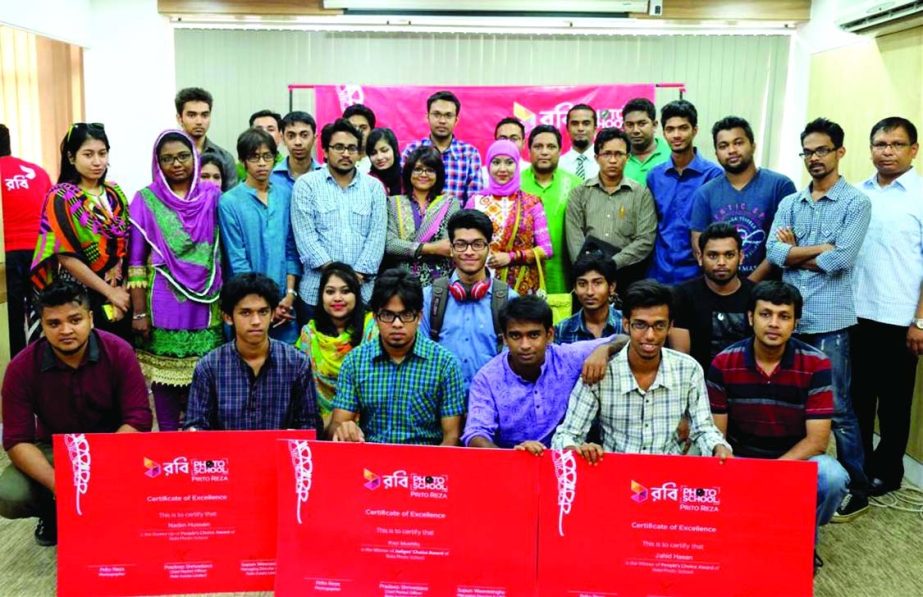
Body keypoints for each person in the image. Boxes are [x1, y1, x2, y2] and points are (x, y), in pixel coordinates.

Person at [766, 117, 872, 518]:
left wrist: (798, 252)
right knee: (787, 401)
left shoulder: (855, 202)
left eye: (822, 150)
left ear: (840, 152)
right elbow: (774, 255)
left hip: (830, 321)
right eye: (808, 151)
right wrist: (819, 250)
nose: (814, 158)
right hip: (788, 318)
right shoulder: (790, 202)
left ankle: (856, 486)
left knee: (840, 407)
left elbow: (842, 260)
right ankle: (793, 472)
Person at [707, 281, 848, 572]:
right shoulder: (724, 362)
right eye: (765, 314)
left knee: (833, 476)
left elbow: (817, 441)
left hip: (792, 459)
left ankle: (801, 540)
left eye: (784, 316)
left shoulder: (816, 364)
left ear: (795, 323)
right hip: (740, 457)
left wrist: (773, 472)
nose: (774, 323)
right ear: (750, 318)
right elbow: (717, 434)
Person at [0, 280, 152, 546]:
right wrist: (58, 483)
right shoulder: (21, 368)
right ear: (44, 326)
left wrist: (101, 467)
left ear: (91, 319)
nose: (66, 330)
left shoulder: (119, 352)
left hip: (114, 446)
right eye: (54, 324)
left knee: (161, 478)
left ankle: (116, 512)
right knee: (9, 494)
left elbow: (138, 419)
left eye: (75, 319)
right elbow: (16, 440)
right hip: (56, 451)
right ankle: (53, 512)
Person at [551, 280, 732, 462]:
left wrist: (719, 447)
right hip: (616, 476)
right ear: (626, 324)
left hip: (668, 482)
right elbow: (567, 434)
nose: (650, 335)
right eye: (640, 325)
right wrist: (577, 449)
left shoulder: (689, 370)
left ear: (670, 327)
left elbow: (704, 429)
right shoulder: (601, 371)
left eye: (659, 325)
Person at [128, 130, 224, 431]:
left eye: (183, 156)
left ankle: (204, 446)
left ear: (194, 157)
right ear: (157, 163)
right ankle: (170, 445)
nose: (176, 164)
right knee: (164, 380)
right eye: (167, 158)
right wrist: (139, 312)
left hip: (208, 299)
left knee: (206, 378)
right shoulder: (145, 199)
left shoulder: (212, 195)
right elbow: (135, 261)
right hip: (163, 300)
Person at [851, 116, 922, 500]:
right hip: (857, 314)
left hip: (900, 320)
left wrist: (920, 320)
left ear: (913, 149)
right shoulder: (859, 193)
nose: (887, 151)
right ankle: (859, 466)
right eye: (880, 144)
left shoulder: (920, 194)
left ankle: (889, 471)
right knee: (858, 399)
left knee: (893, 405)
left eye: (896, 144)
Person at [464, 295, 622, 450]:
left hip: (563, 462)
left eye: (533, 335)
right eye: (515, 336)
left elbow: (625, 339)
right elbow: (475, 434)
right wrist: (513, 460)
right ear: (505, 338)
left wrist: (605, 350)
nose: (525, 345)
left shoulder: (568, 357)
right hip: (510, 465)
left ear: (549, 335)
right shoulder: (487, 378)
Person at [327, 269, 466, 445]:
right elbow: (337, 425)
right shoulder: (355, 362)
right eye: (387, 315)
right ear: (375, 317)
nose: (397, 324)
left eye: (406, 315)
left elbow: (451, 437)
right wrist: (344, 429)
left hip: (425, 466)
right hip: (371, 465)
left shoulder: (444, 364)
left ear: (419, 317)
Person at [31, 122, 132, 340]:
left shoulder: (115, 193)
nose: (97, 162)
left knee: (119, 356)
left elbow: (129, 243)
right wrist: (110, 293)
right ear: (71, 157)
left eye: (102, 153)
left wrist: (122, 290)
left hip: (122, 290)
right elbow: (65, 255)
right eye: (88, 154)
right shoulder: (60, 197)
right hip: (79, 292)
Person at [185, 273, 321, 433]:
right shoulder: (209, 367)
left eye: (263, 312)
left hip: (280, 456)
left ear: (272, 315)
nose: (256, 321)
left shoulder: (297, 363)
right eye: (246, 313)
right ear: (228, 317)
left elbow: (310, 425)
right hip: (228, 456)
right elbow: (196, 425)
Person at [291, 118, 387, 320]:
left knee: (362, 351)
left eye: (352, 148)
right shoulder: (306, 185)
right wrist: (340, 281)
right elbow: (306, 239)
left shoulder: (373, 187)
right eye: (339, 147)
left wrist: (356, 278)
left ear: (360, 153)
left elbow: (377, 237)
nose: (346, 153)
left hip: (363, 293)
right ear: (325, 151)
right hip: (316, 294)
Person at [218, 127, 301, 343]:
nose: (262, 163)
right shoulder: (229, 201)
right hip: (247, 305)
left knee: (284, 365)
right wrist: (265, 307)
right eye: (254, 157)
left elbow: (292, 249)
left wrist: (289, 296)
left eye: (267, 156)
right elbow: (237, 260)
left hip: (285, 306)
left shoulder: (286, 195)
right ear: (243, 161)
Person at [690, 116, 796, 281]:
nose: (731, 150)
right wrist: (732, 288)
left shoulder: (779, 186)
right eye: (723, 146)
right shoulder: (705, 193)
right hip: (721, 290)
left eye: (738, 143)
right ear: (716, 153)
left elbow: (785, 246)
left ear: (753, 146)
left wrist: (748, 286)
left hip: (769, 293)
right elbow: (699, 247)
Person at [421, 209, 517, 387]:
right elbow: (421, 355)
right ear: (451, 249)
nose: (469, 251)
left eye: (477, 244)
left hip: (492, 402)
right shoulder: (430, 298)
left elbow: (513, 360)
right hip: (441, 402)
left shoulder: (509, 300)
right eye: (461, 244)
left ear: (489, 248)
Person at [565, 127, 657, 295]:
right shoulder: (579, 193)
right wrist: (592, 270)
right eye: (607, 154)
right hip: (587, 280)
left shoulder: (641, 194)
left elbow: (645, 240)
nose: (613, 160)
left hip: (627, 276)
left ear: (628, 158)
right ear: (596, 158)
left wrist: (611, 263)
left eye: (619, 154)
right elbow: (574, 238)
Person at [647, 100, 723, 285]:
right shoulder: (655, 176)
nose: (676, 135)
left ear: (695, 130)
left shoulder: (713, 175)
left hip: (697, 276)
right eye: (670, 129)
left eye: (683, 128)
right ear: (663, 132)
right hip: (658, 273)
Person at [469, 139, 552, 295]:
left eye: (509, 162)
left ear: (517, 165)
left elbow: (546, 250)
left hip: (522, 285)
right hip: (480, 283)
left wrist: (511, 257)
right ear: (488, 165)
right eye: (496, 162)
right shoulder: (475, 202)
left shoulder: (532, 203)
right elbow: (464, 243)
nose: (502, 169)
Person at [670, 222, 754, 371]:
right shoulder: (682, 295)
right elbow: (681, 359)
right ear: (700, 257)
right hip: (698, 384)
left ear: (740, 257)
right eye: (713, 255)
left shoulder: (756, 295)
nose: (721, 262)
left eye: (729, 255)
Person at [296, 263, 372, 426]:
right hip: (319, 426)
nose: (337, 298)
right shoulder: (309, 335)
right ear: (321, 296)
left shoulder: (372, 329)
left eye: (345, 291)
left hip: (369, 425)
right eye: (330, 292)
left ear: (356, 295)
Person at [0, 124, 52, 356]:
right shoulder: (37, 172)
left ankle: (16, 368)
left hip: (7, 254)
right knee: (44, 311)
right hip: (42, 252)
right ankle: (42, 363)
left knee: (10, 317)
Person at [383, 146, 460, 286]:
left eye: (430, 170)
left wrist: (407, 248)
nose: (423, 174)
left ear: (438, 175)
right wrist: (431, 248)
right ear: (408, 172)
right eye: (418, 169)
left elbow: (447, 246)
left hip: (439, 282)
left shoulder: (450, 203)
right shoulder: (393, 203)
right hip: (401, 282)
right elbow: (390, 245)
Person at [520, 124, 582, 295]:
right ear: (528, 149)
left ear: (560, 150)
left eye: (551, 146)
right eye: (538, 146)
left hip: (565, 275)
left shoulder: (575, 184)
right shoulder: (516, 183)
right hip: (523, 274)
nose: (544, 152)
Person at [401, 90, 482, 206]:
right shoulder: (411, 151)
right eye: (436, 114)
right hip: (416, 222)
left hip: (456, 222)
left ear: (456, 120)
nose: (442, 121)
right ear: (427, 117)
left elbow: (474, 201)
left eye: (448, 115)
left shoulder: (469, 154)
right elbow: (403, 193)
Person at [174, 87, 237, 188]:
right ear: (179, 118)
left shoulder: (225, 158)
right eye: (192, 115)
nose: (199, 121)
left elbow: (230, 199)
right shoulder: (170, 157)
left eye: (204, 115)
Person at [554, 254, 624, 344]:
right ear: (575, 288)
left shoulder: (626, 324)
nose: (589, 292)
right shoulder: (562, 330)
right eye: (582, 284)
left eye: (597, 283)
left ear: (611, 287)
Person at [270, 111, 323, 197]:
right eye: (291, 136)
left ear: (314, 139)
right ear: (283, 139)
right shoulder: (271, 178)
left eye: (304, 135)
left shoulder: (325, 177)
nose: (298, 142)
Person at [622, 97, 670, 184]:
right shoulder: (616, 158)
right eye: (630, 125)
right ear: (623, 127)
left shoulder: (671, 156)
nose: (635, 130)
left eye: (642, 124)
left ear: (654, 125)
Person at [480, 117, 530, 186]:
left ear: (523, 143)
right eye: (503, 138)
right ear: (495, 142)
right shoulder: (482, 174)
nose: (508, 143)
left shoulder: (532, 173)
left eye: (514, 139)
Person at [236, 109, 285, 180]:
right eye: (259, 129)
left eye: (270, 129)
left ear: (280, 136)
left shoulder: (286, 167)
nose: (264, 134)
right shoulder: (238, 168)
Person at [559, 103, 599, 181]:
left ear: (595, 129)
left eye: (586, 123)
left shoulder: (606, 163)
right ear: (567, 129)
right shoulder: (558, 165)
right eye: (575, 123)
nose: (580, 128)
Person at [367, 127, 402, 196]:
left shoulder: (408, 178)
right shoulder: (366, 182)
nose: (379, 157)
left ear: (394, 150)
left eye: (384, 150)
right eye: (373, 153)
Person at [343, 103, 376, 174]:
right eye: (353, 127)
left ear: (372, 131)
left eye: (363, 127)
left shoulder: (378, 162)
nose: (358, 132)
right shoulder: (336, 162)